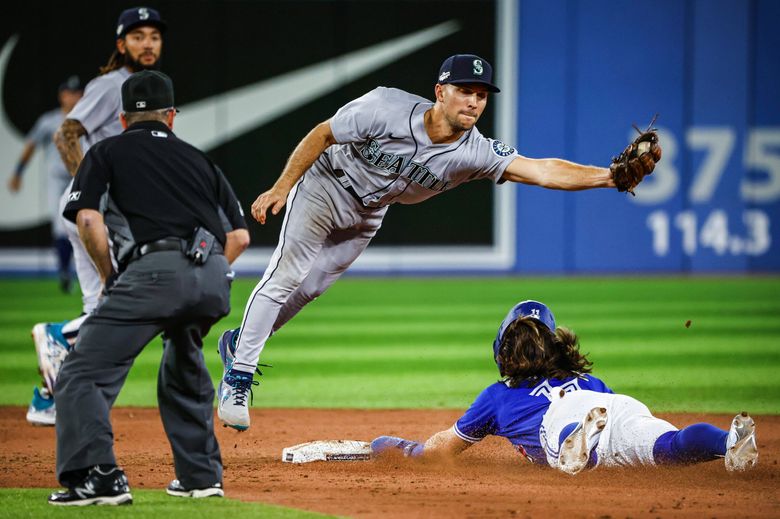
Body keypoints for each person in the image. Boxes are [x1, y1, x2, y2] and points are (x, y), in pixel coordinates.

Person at [215, 54, 662, 431]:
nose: (473, 100)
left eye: (482, 94)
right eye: (465, 90)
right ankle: (239, 374)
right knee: (286, 275)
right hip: (323, 186)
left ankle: (243, 340)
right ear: (440, 91)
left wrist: (608, 178)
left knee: (308, 289)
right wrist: (280, 187)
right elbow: (323, 133)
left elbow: (541, 169)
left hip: (369, 213)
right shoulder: (385, 106)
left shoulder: (476, 151)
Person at [48, 70, 250, 506]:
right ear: (171, 117)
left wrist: (110, 280)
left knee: (81, 372)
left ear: (122, 119)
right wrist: (198, 275)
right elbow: (239, 238)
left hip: (152, 272)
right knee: (184, 364)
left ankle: (96, 477)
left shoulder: (105, 151)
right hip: (213, 276)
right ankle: (200, 477)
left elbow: (86, 219)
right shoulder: (201, 161)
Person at [370, 300, 759, 475]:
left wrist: (400, 447)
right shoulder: (588, 378)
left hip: (566, 421)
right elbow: (608, 412)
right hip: (612, 404)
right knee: (668, 445)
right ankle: (727, 442)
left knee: (561, 440)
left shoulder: (498, 397)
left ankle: (576, 443)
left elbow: (440, 451)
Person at [28, 6, 167, 427]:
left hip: (92, 211)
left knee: (105, 305)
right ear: (121, 43)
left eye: (154, 36)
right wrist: (92, 187)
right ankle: (59, 336)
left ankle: (50, 398)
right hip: (96, 214)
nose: (148, 43)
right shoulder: (113, 86)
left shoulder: (134, 85)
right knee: (130, 304)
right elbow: (66, 132)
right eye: (138, 36)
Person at [8, 75, 83, 295]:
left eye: (78, 93)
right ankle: (64, 271)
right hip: (56, 180)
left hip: (80, 177)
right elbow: (31, 146)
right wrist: (18, 173)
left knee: (83, 225)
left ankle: (82, 271)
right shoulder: (49, 120)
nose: (74, 97)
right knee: (60, 226)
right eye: (70, 93)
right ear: (62, 96)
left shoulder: (89, 118)